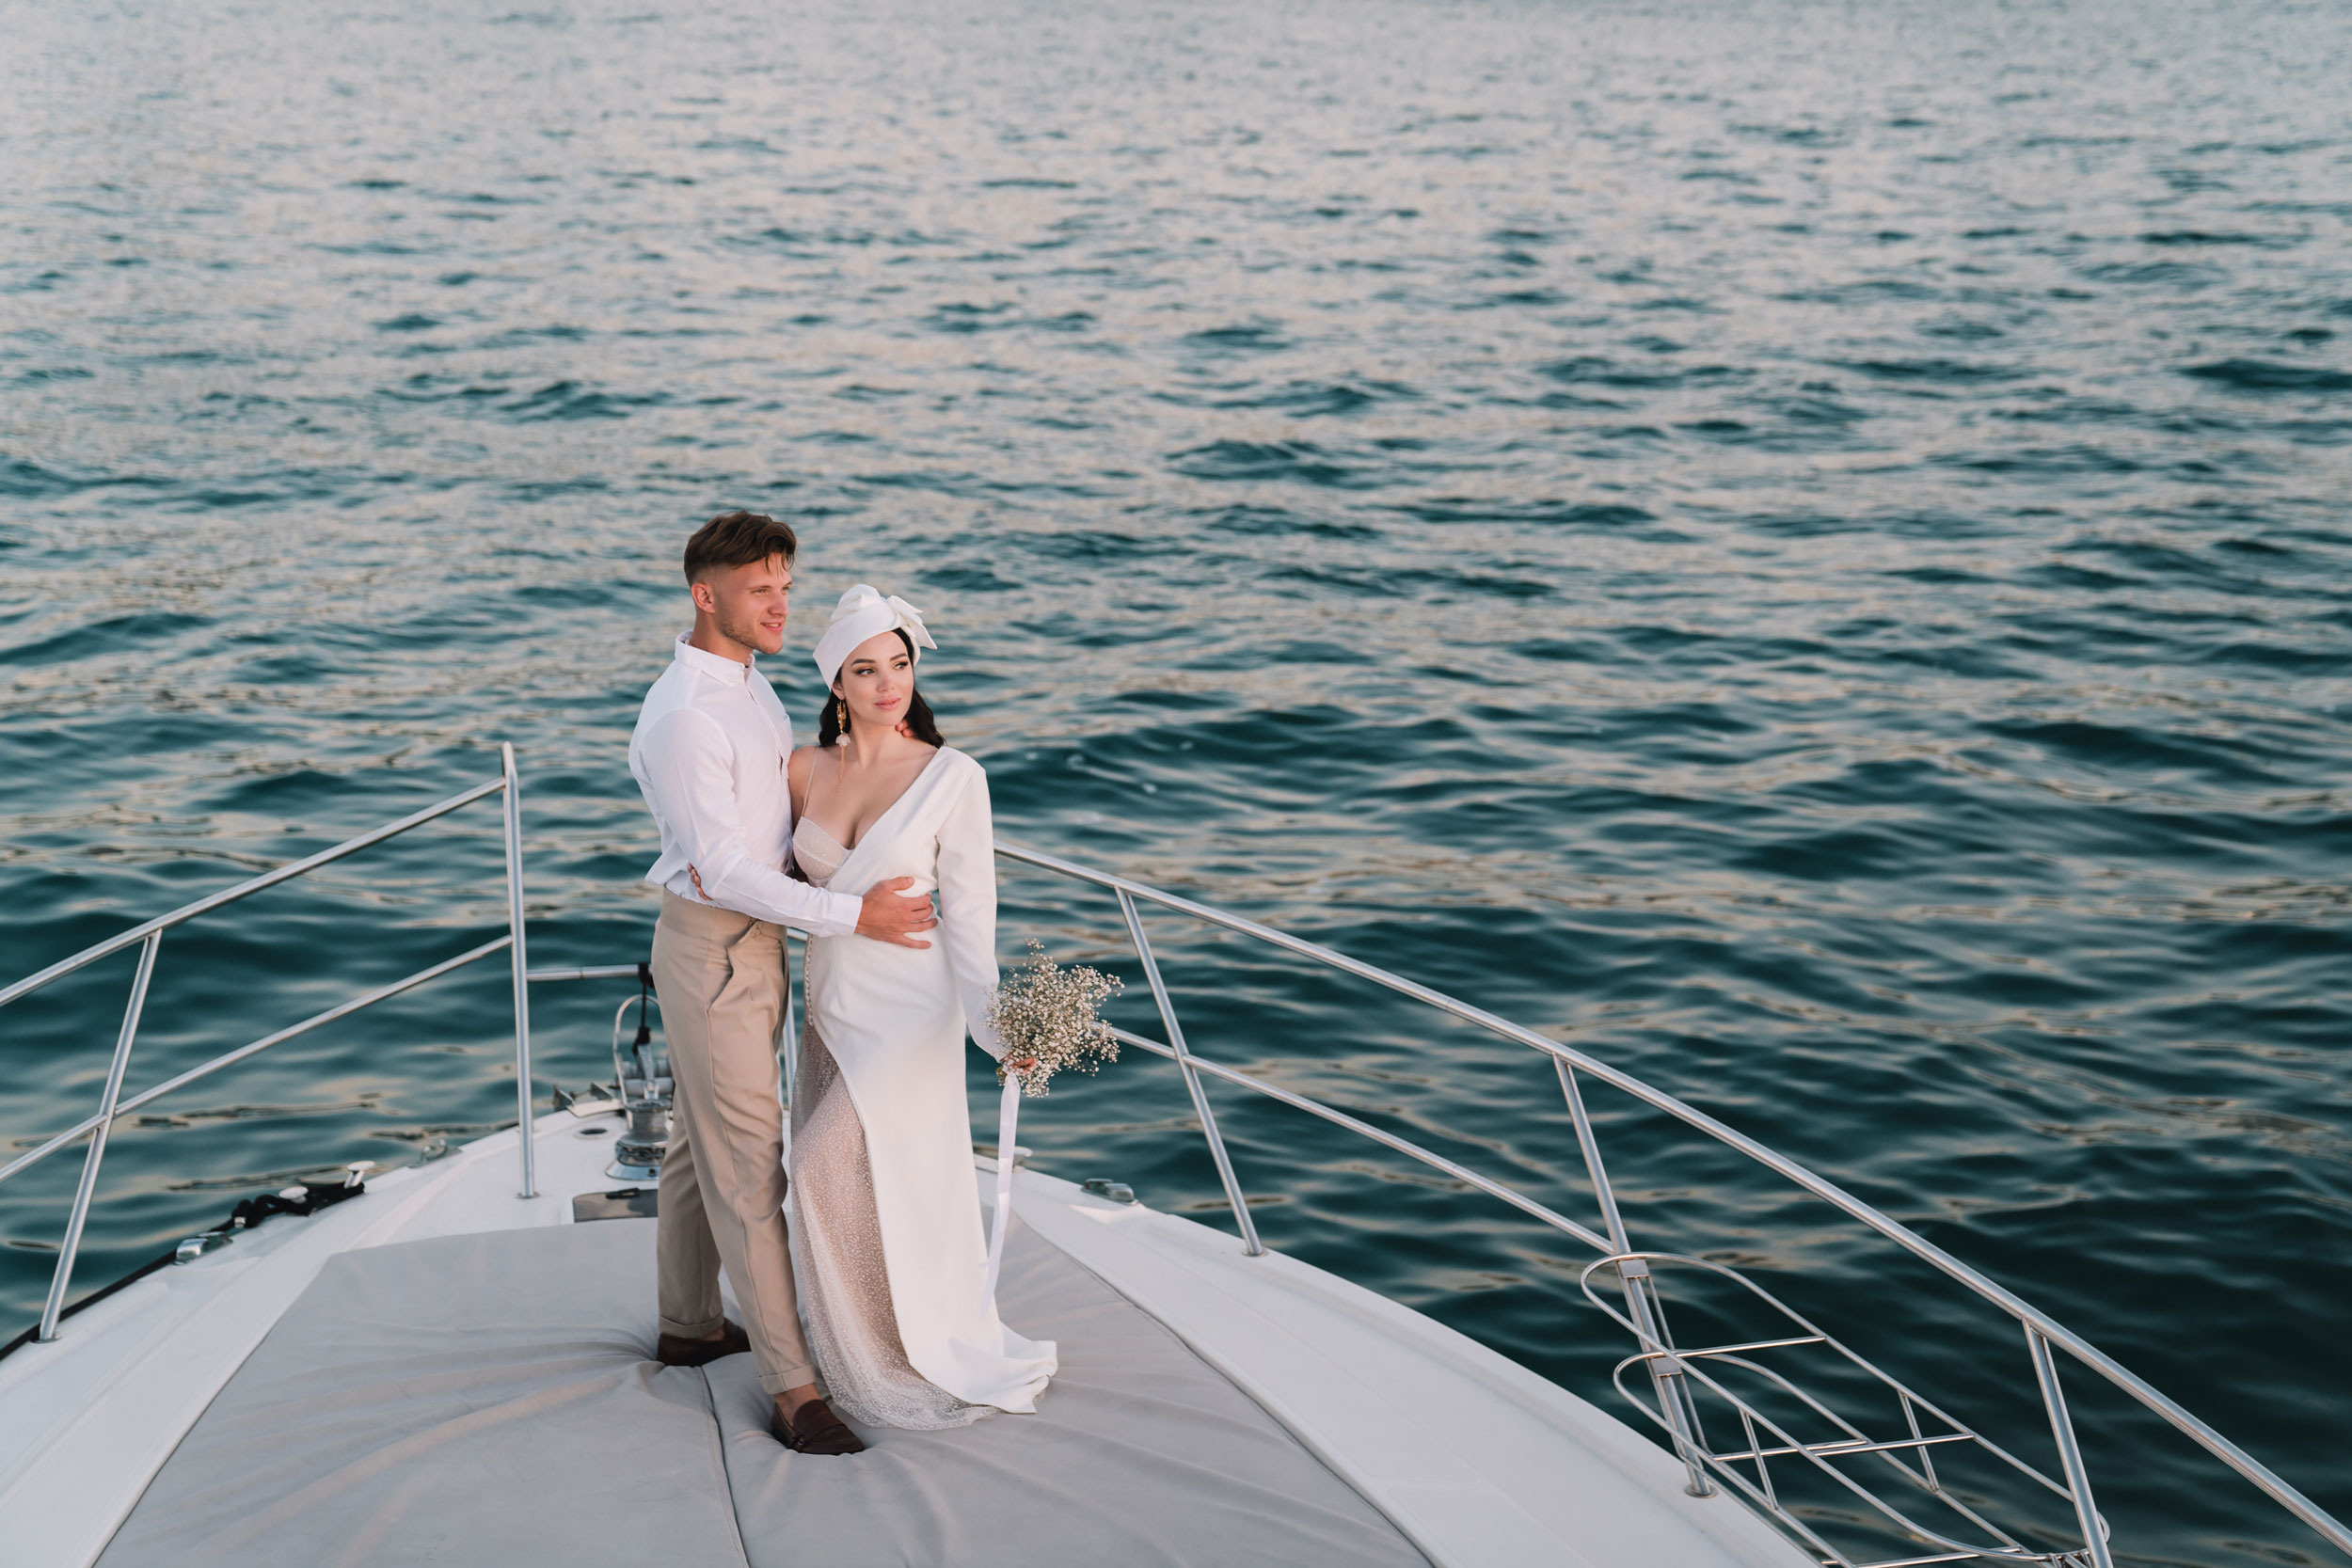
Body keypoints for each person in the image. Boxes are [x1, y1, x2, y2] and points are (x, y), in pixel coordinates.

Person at [627, 513, 940, 1456]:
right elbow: (722, 869)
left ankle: (688, 1323)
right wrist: (858, 916)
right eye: (759, 588)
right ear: (704, 594)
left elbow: (780, 822)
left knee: (700, 1139)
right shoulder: (687, 712)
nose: (779, 604)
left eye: (785, 586)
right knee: (746, 1166)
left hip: (753, 942)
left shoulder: (749, 688)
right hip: (718, 944)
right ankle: (793, 1384)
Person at [783, 584, 1057, 1429]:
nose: (886, 682)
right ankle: (854, 1335)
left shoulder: (953, 778)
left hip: (912, 1011)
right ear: (837, 682)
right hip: (830, 1002)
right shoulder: (800, 768)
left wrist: (997, 1028)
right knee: (850, 1181)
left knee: (818, 1167)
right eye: (865, 669)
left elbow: (973, 922)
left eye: (898, 663)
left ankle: (888, 1357)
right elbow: (775, 884)